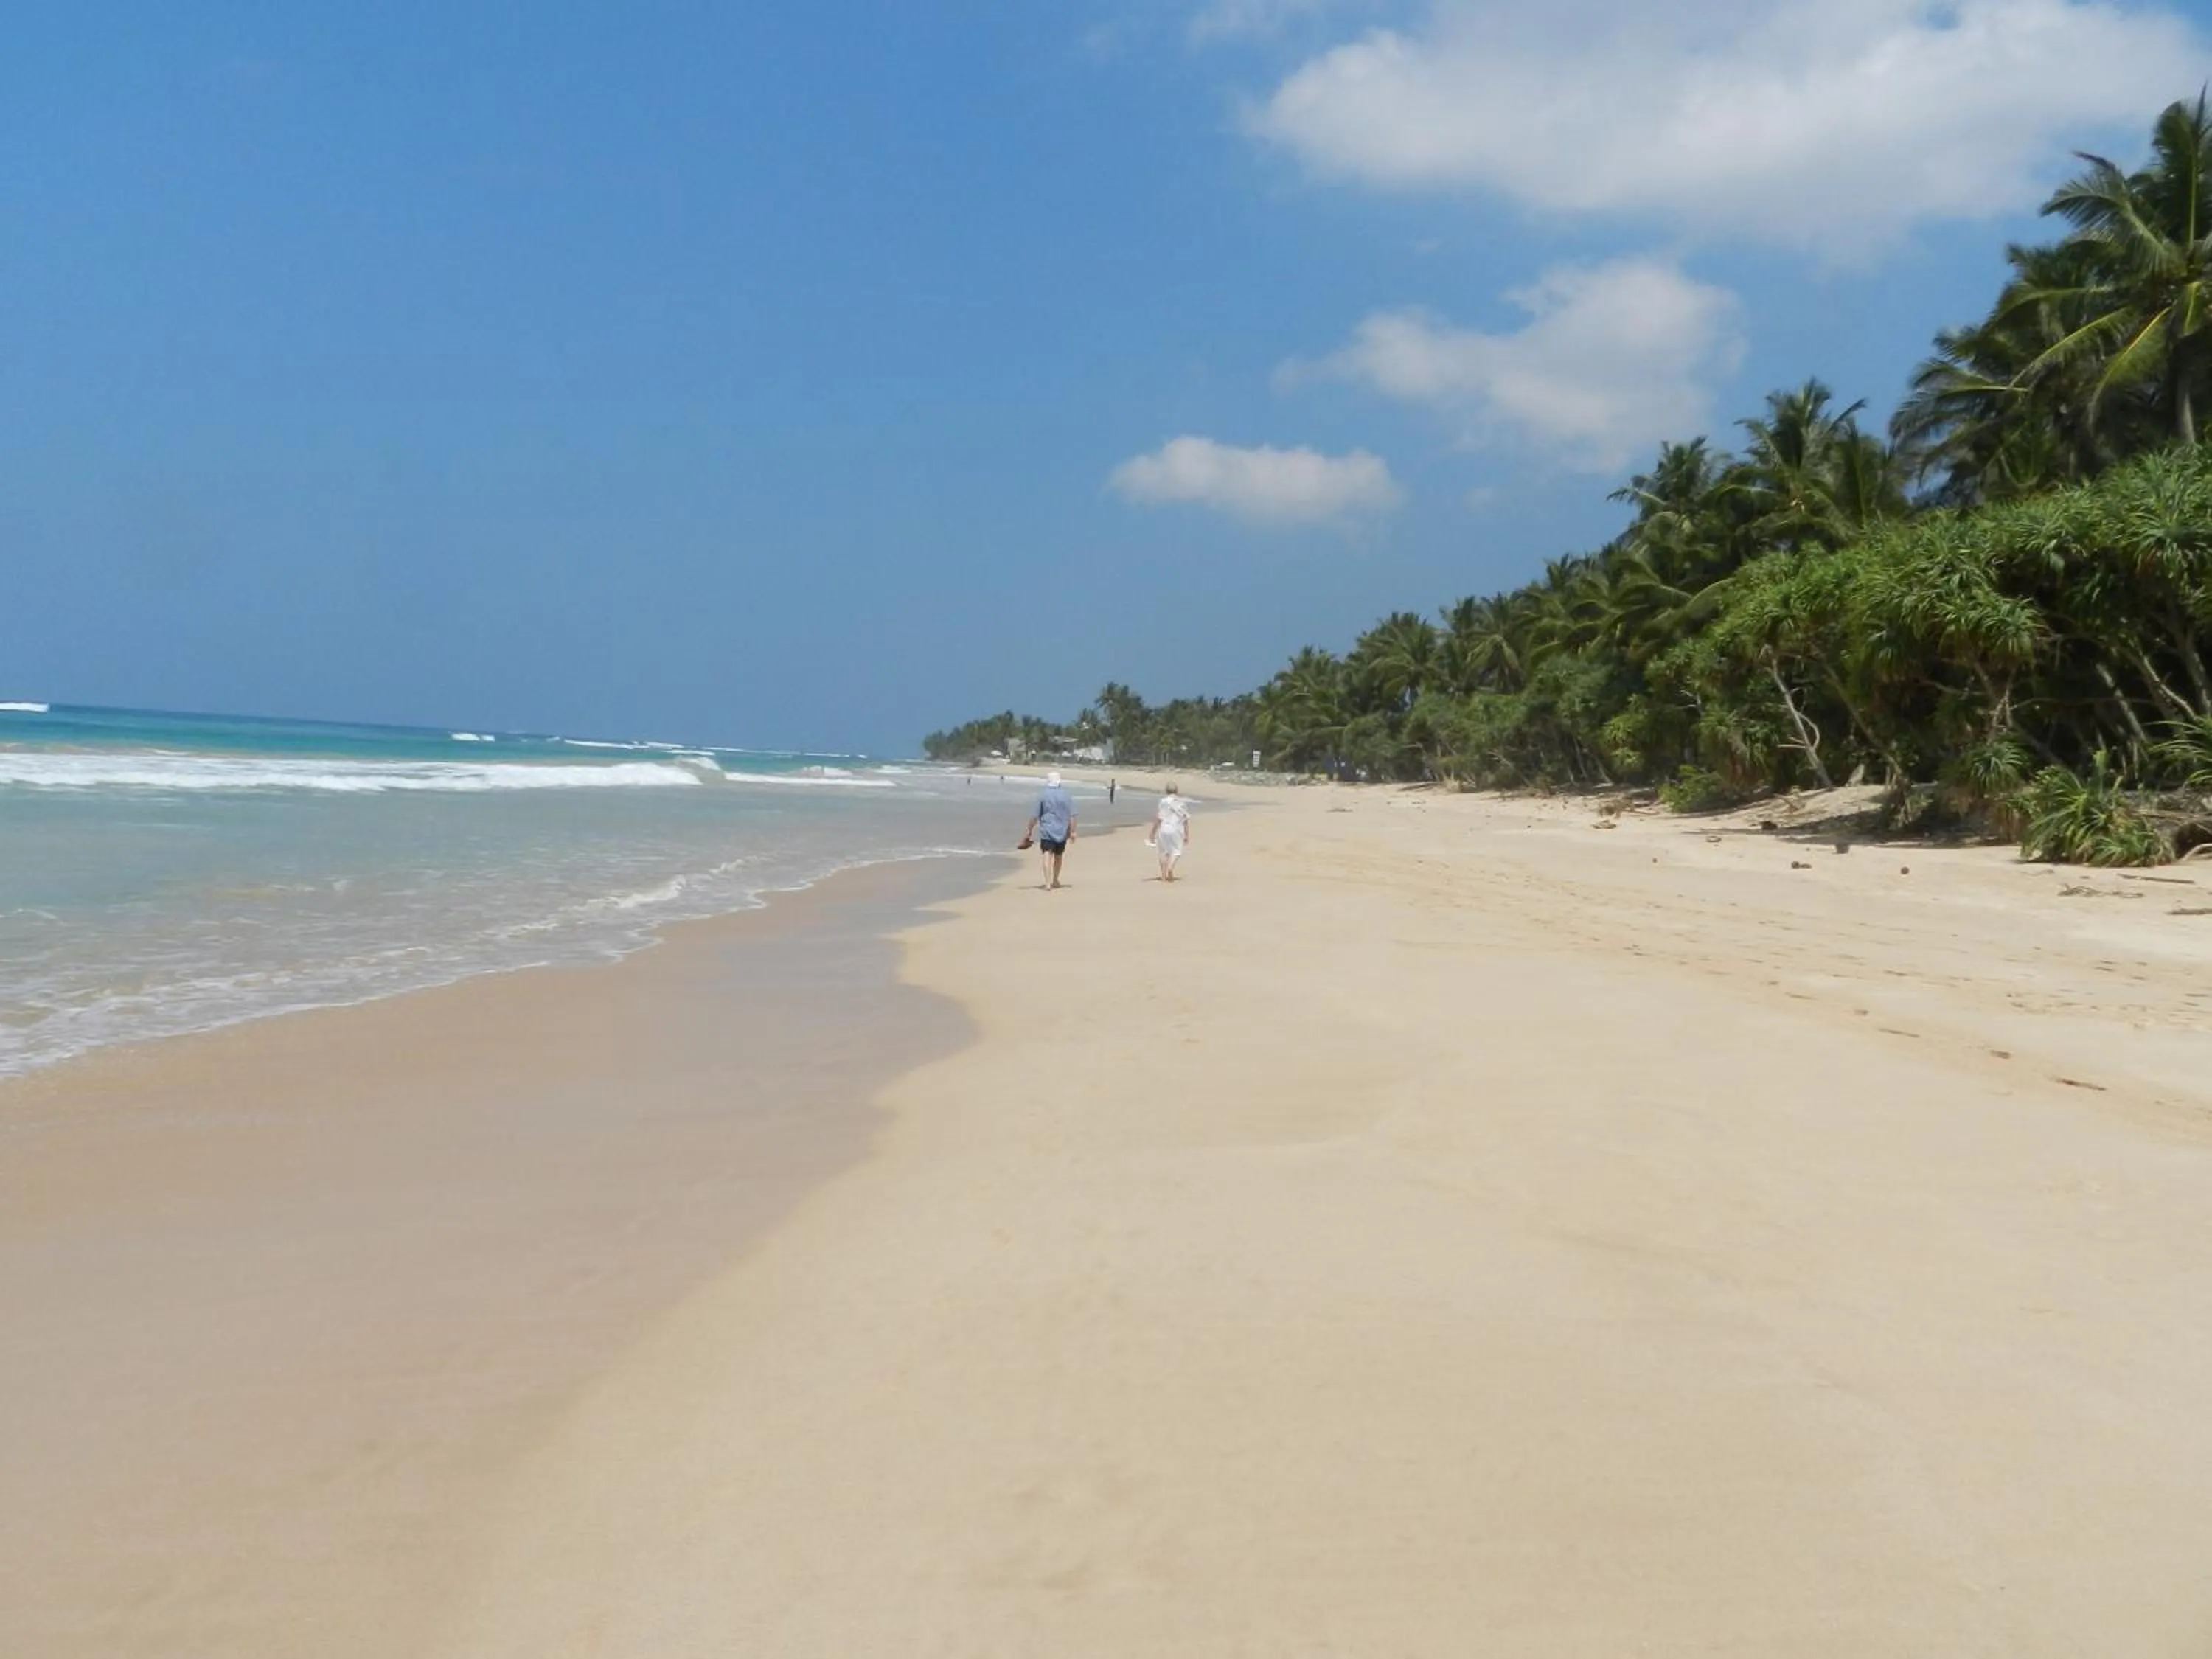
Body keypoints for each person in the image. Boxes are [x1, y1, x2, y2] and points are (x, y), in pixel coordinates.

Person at [1022, 770, 1077, 889]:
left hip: (1047, 831)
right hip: (1062, 831)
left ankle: (1047, 883)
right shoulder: (1066, 795)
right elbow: (1072, 815)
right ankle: (1055, 880)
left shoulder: (1043, 795)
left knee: (1047, 854)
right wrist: (1072, 831)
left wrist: (1029, 830)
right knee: (1058, 856)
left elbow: (1035, 816)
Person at [1148, 783, 1192, 882]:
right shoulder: (1181, 803)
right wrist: (1187, 834)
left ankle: (1163, 876)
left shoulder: (1163, 802)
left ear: (1166, 791)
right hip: (1176, 829)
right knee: (1175, 851)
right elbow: (1185, 819)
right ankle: (1170, 868)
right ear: (1177, 791)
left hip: (1164, 828)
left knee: (1162, 852)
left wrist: (1153, 832)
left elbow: (1159, 818)